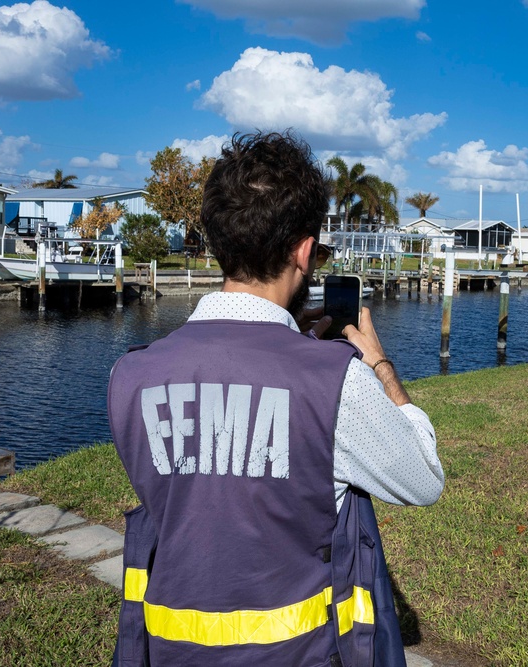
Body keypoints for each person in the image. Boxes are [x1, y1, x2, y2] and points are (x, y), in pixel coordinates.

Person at [107, 131, 444, 666]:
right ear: (304, 250)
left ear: (219, 241)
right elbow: (424, 478)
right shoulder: (337, 382)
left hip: (168, 650)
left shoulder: (131, 375)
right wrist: (380, 367)